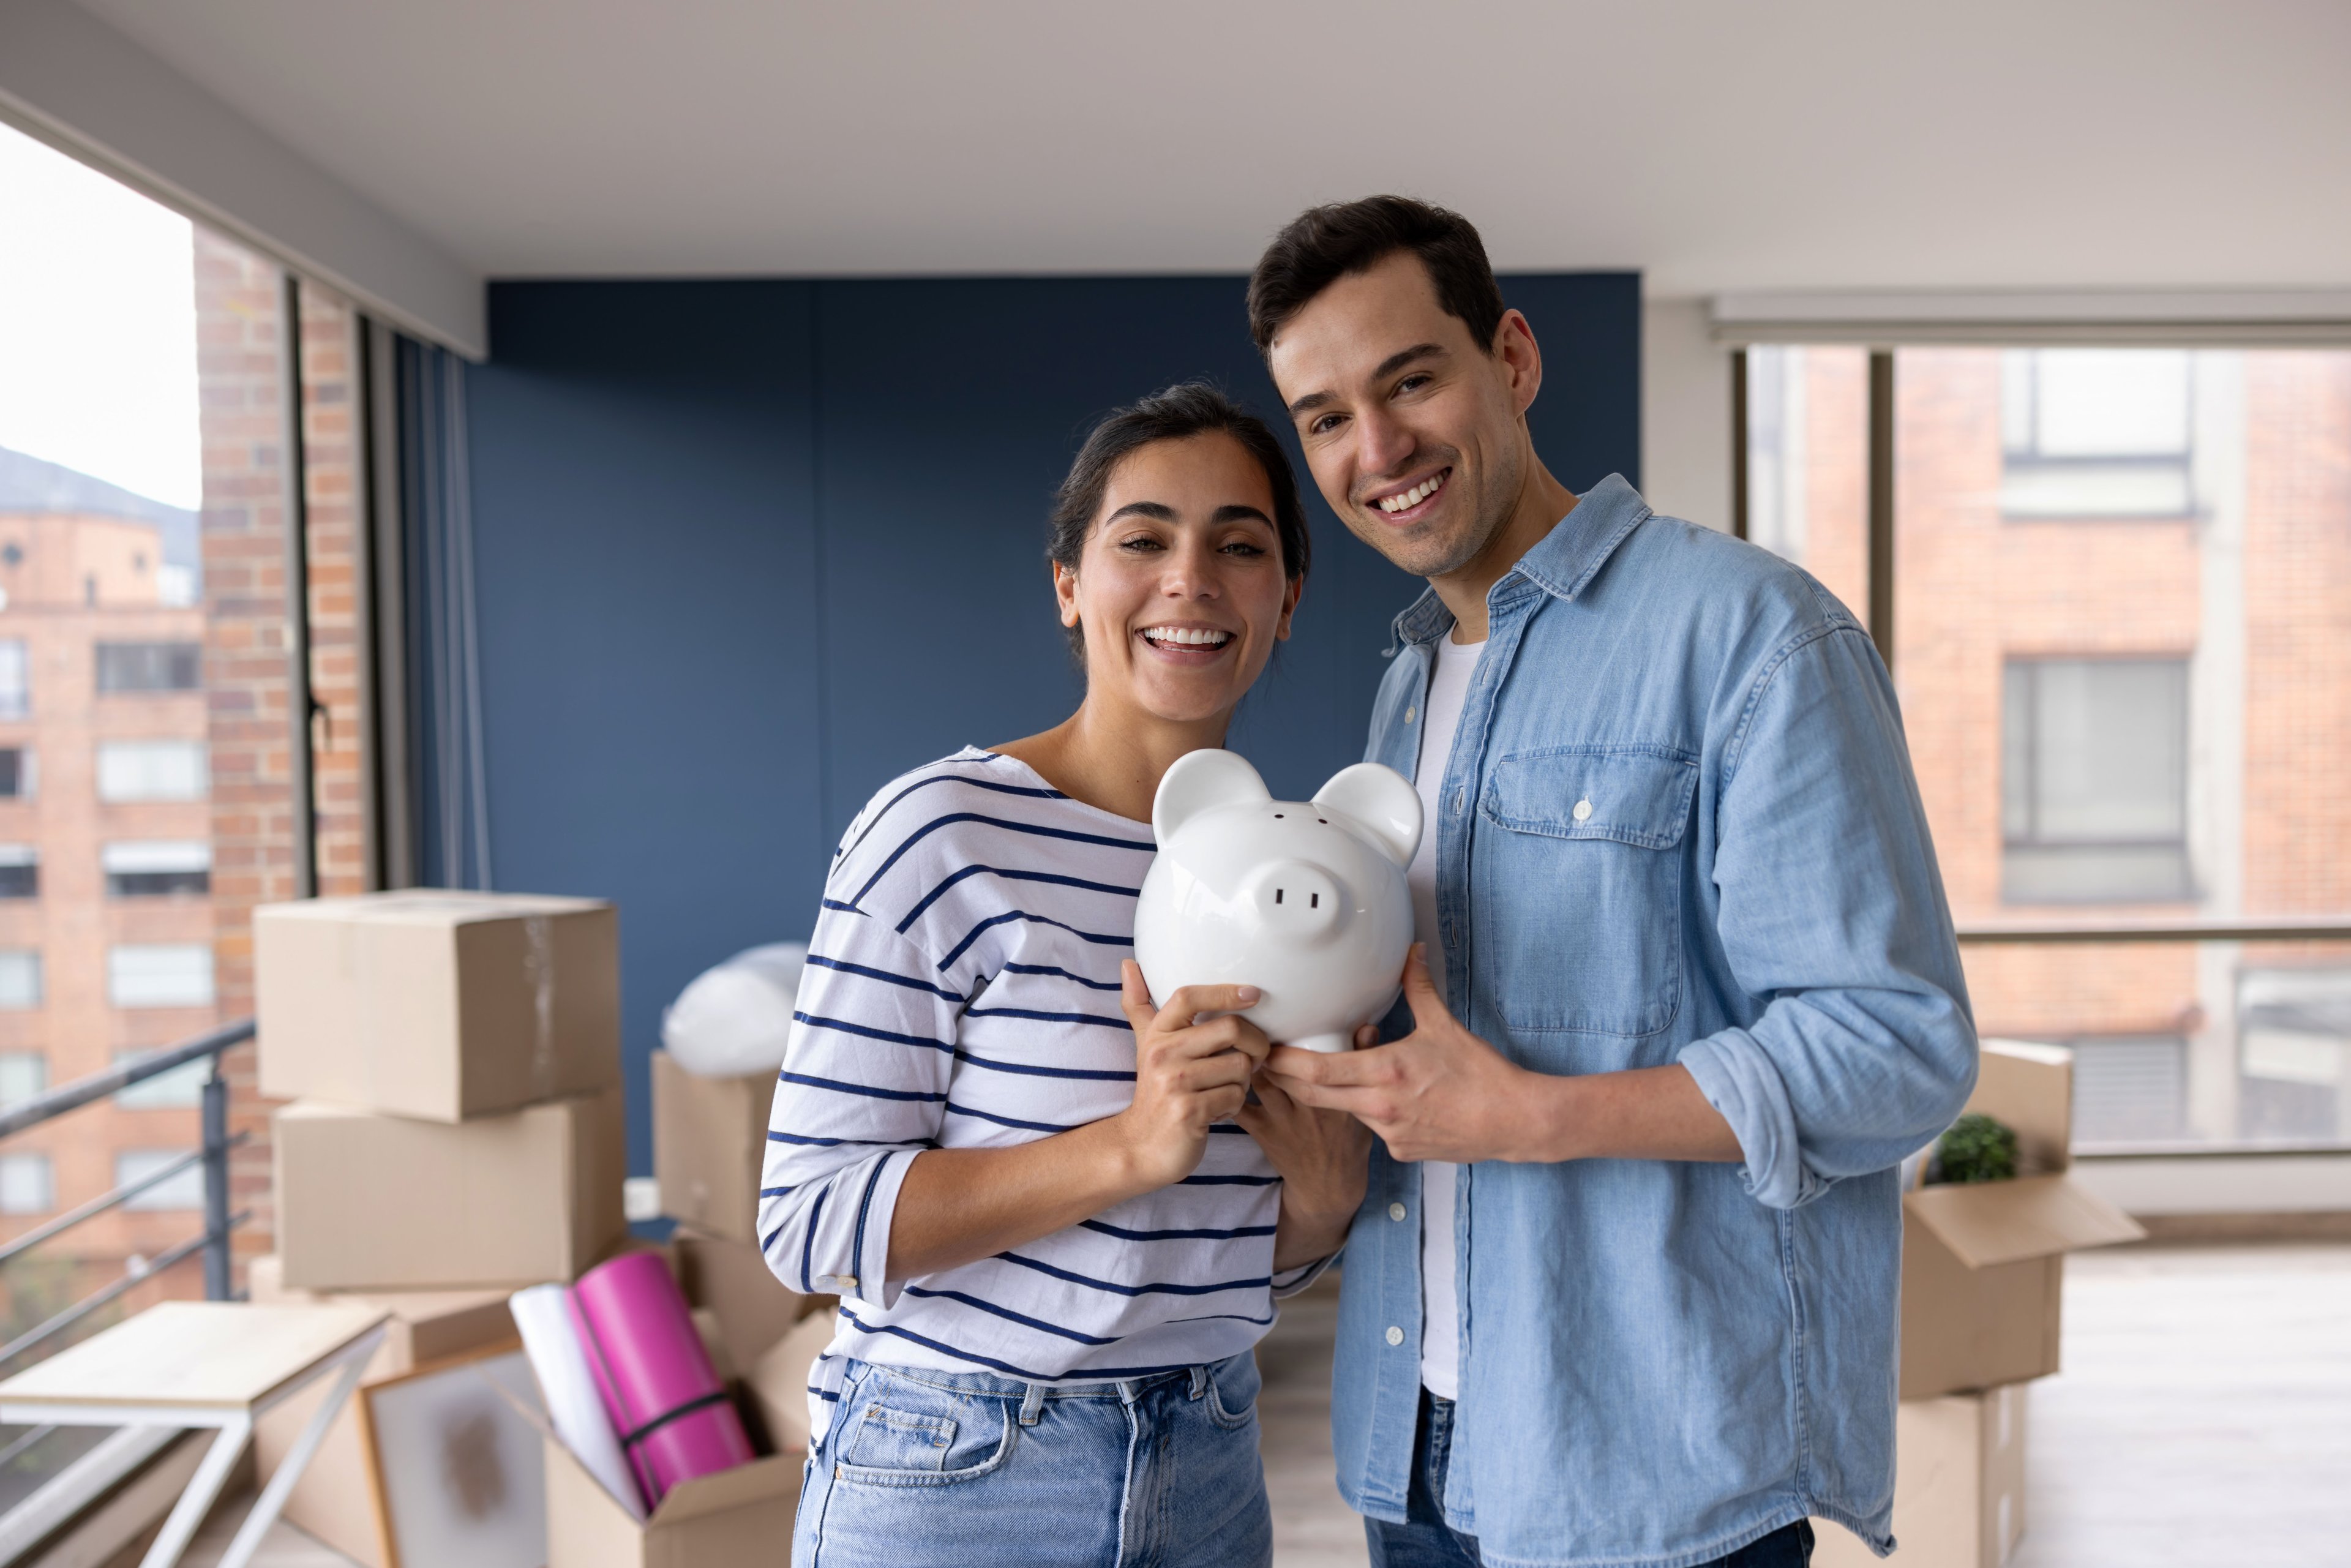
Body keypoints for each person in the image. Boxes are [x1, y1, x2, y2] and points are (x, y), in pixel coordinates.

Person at [1247, 197, 1978, 1568]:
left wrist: (1535, 1116)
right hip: (1413, 1453)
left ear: (1510, 361)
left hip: (1653, 1472)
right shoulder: (1408, 687)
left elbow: (1899, 1051)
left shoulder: (1754, 634)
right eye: (1327, 416)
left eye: (1410, 379)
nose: (1377, 448)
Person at [762, 383, 1370, 1568]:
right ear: (1069, 587)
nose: (1190, 578)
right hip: (959, 1475)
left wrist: (1325, 1204)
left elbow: (1225, 1252)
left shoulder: (1302, 879)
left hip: (1208, 1465)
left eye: (1239, 546)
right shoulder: (940, 833)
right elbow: (809, 1220)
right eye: (1142, 539)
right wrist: (1131, 1146)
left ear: (1287, 601)